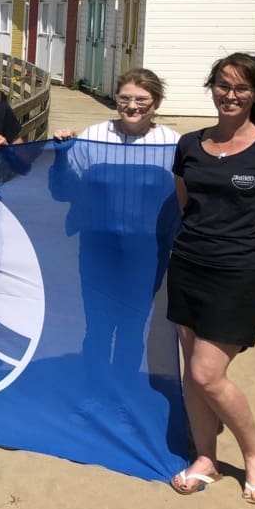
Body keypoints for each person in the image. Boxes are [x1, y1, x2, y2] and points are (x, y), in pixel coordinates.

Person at [167, 53, 255, 504]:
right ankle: (206, 457)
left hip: (241, 273)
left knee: (208, 374)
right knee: (192, 372)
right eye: (223, 85)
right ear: (212, 87)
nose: (230, 94)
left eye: (241, 88)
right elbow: (187, 206)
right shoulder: (189, 144)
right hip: (188, 266)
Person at [51, 69, 181, 391]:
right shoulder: (94, 137)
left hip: (147, 254)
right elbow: (62, 190)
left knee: (132, 326)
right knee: (97, 325)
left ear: (156, 103)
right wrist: (60, 155)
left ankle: (123, 393)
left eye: (141, 100)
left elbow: (187, 197)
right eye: (125, 98)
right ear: (116, 99)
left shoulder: (174, 144)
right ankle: (93, 391)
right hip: (97, 251)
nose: (132, 106)